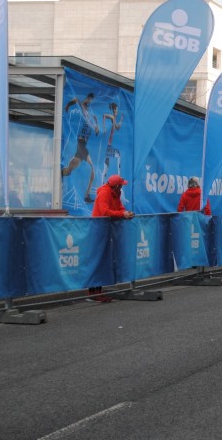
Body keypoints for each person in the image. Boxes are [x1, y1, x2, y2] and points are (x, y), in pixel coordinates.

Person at [90, 174, 134, 302]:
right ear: (116, 186)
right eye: (121, 185)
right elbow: (105, 212)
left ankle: (97, 291)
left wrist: (125, 213)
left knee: (102, 261)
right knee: (98, 262)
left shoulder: (115, 193)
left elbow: (119, 207)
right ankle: (93, 293)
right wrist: (122, 214)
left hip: (105, 230)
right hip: (98, 230)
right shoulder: (105, 193)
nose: (122, 188)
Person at [62, 93, 99, 203]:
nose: (90, 101)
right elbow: (76, 99)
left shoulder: (89, 113)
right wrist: (68, 105)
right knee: (92, 168)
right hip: (80, 142)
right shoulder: (81, 106)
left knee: (71, 168)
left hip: (83, 144)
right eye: (89, 99)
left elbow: (93, 126)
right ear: (86, 98)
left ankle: (61, 173)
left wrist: (96, 126)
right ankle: (87, 195)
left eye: (91, 100)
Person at [101, 102, 123, 185]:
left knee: (106, 166)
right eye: (117, 111)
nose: (117, 112)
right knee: (118, 155)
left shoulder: (114, 119)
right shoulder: (112, 117)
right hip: (107, 146)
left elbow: (117, 127)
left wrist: (121, 120)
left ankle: (102, 184)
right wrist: (103, 128)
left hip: (108, 146)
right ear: (114, 110)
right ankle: (119, 176)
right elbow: (104, 115)